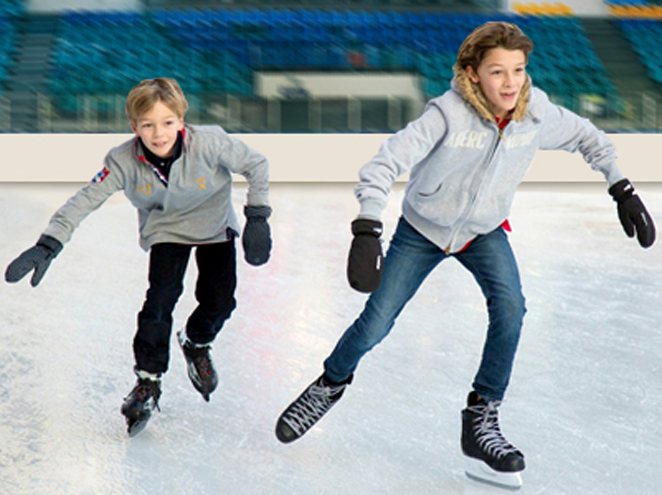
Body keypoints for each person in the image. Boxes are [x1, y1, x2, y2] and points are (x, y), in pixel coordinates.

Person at [275, 21, 655, 489]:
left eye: (518, 70)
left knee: (511, 310)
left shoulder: (535, 113)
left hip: (483, 232)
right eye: (498, 72)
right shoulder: (446, 115)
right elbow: (385, 162)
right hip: (422, 231)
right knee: (376, 322)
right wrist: (367, 227)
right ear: (473, 74)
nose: (511, 82)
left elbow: (589, 138)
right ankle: (330, 383)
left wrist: (621, 187)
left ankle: (482, 418)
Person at [5, 77, 272, 436]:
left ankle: (196, 341)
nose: (158, 134)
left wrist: (257, 215)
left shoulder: (210, 142)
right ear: (134, 127)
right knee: (159, 302)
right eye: (147, 125)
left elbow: (257, 164)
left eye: (167, 123)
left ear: (181, 120)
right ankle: (148, 380)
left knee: (220, 301)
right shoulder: (121, 161)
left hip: (214, 227)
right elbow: (86, 198)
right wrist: (50, 242)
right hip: (165, 230)